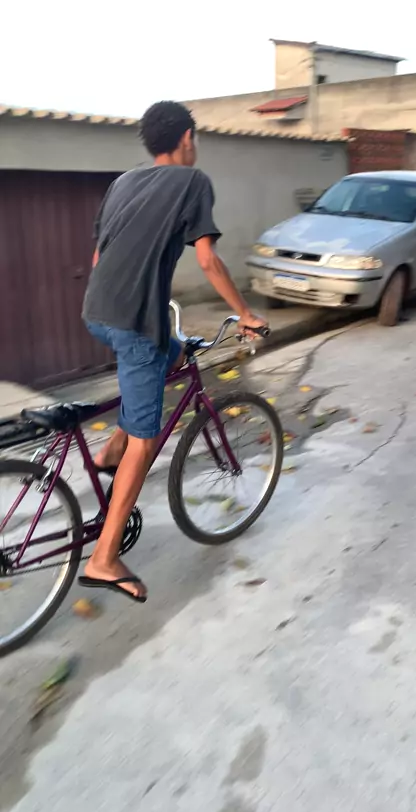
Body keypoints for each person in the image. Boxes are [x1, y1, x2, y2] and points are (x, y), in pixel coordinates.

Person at [80, 100, 267, 603]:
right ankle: (104, 558)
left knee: (171, 354)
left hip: (97, 311)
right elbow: (207, 260)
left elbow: (99, 257)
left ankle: (109, 453)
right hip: (134, 323)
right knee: (147, 440)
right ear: (187, 138)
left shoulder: (123, 182)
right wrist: (245, 314)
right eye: (195, 138)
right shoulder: (192, 182)